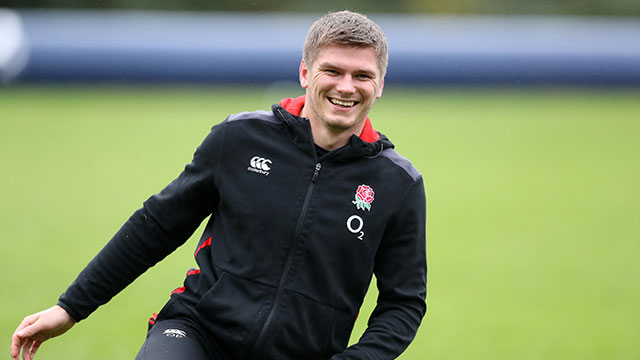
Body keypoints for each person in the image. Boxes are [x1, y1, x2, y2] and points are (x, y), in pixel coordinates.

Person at [11, 10, 427, 360]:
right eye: (332, 70)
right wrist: (70, 308)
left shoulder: (398, 183)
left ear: (380, 85)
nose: (346, 86)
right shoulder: (239, 138)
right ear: (305, 73)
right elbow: (156, 225)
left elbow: (403, 303)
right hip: (197, 332)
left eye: (362, 75)